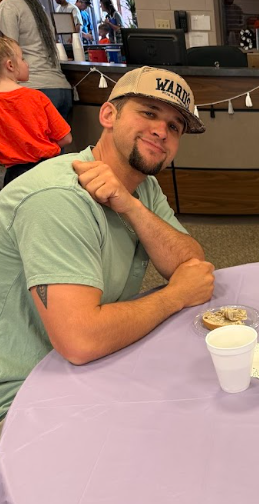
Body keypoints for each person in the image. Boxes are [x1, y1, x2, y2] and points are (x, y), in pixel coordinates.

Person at [0, 66, 215, 431]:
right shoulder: (58, 197)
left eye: (174, 126)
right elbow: (81, 340)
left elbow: (191, 263)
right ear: (109, 115)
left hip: (90, 367)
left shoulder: (141, 186)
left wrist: (130, 206)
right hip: (23, 397)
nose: (161, 131)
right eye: (148, 113)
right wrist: (174, 296)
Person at [0, 35, 72, 187]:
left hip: (14, 178)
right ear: (10, 65)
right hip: (47, 171)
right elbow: (66, 138)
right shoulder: (36, 97)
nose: (26, 64)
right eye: (22, 58)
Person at [0, 0, 74, 122]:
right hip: (60, 87)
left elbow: (9, 51)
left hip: (33, 88)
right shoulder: (38, 7)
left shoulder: (8, 5)